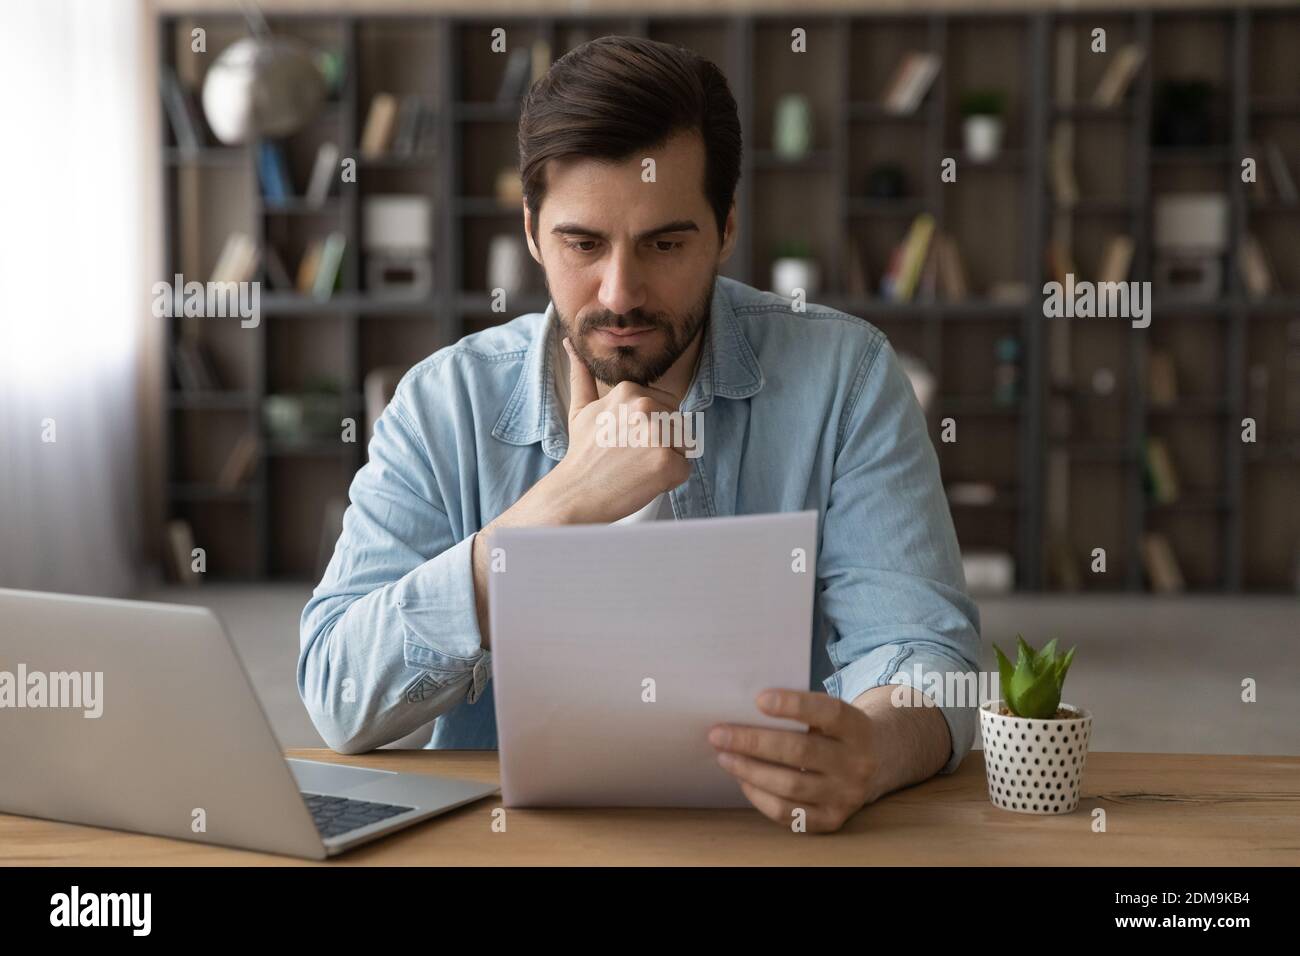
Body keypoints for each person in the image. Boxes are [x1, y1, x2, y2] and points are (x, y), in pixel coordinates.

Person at [300, 35, 981, 832]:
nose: (620, 293)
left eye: (664, 243)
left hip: (769, 841)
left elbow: (927, 656)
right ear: (530, 231)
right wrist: (551, 514)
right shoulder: (443, 400)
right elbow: (339, 696)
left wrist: (870, 749)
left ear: (726, 229)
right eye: (583, 244)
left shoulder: (848, 377)